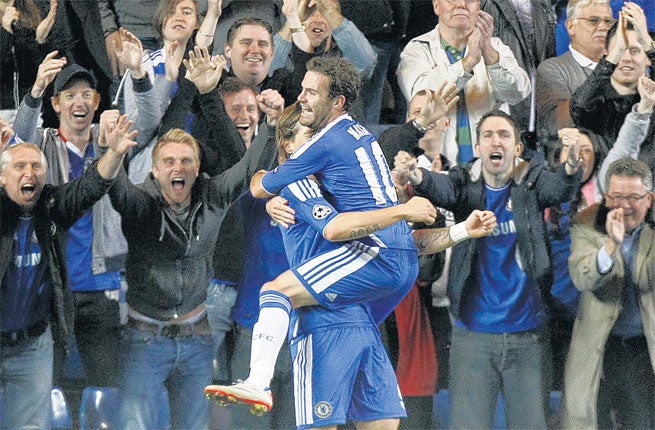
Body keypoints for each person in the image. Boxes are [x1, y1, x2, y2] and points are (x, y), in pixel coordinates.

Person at [208, 102, 496, 429]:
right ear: (288, 146)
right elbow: (331, 225)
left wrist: (461, 231)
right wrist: (403, 210)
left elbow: (402, 243)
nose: (324, 145)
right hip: (323, 325)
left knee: (384, 425)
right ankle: (257, 379)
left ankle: (258, 380)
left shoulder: (347, 186)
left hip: (363, 323)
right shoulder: (296, 183)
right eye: (312, 136)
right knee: (274, 291)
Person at [204, 57, 424, 415]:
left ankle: (257, 382)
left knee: (275, 291)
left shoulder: (319, 151)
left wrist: (272, 185)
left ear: (337, 102)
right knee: (378, 418)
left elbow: (264, 189)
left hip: (363, 272)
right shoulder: (358, 135)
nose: (302, 97)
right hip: (386, 275)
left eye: (311, 92)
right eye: (302, 89)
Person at [393, 109, 582, 429]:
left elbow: (560, 188)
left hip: (527, 336)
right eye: (488, 135)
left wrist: (572, 162)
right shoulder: (464, 181)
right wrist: (415, 176)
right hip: (472, 337)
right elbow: (441, 188)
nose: (497, 141)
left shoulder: (533, 181)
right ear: (477, 148)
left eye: (505, 135)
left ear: (517, 149)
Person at [108, 108, 275, 428]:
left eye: (186, 161)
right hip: (144, 337)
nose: (178, 167)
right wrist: (111, 153)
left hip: (196, 334)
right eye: (169, 161)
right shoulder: (141, 202)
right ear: (155, 171)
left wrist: (268, 125)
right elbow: (117, 190)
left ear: (198, 168)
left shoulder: (212, 194)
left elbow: (249, 168)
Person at [11, 58, 144, 387]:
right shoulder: (41, 144)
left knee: (106, 388)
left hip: (103, 286)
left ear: (97, 102)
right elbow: (17, 138)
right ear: (55, 104)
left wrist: (139, 74)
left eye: (86, 95)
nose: (79, 102)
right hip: (53, 289)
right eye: (69, 96)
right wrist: (37, 89)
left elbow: (149, 121)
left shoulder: (113, 141)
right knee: (51, 389)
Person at [0, 120, 134, 429]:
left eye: (36, 166)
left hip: (31, 345)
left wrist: (112, 152)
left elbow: (90, 186)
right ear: (3, 177)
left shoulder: (52, 206)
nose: (29, 173)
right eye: (19, 166)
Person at [565, 157, 655, 429]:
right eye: (616, 196)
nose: (625, 206)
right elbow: (582, 277)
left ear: (649, 198)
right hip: (598, 348)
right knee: (589, 420)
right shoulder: (586, 223)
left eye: (634, 197)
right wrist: (611, 246)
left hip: (643, 348)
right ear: (605, 197)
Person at [396, 0, 531, 167]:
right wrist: (468, 62)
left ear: (478, 8)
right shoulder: (417, 49)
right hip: (435, 165)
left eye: (470, 0)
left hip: (488, 166)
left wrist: (488, 51)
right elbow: (421, 95)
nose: (461, 4)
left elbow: (518, 92)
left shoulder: (495, 47)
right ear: (436, 6)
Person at [570, 3, 654, 163]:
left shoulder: (651, 103)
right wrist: (612, 57)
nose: (627, 58)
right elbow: (579, 110)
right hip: (601, 185)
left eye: (635, 51)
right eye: (621, 50)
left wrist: (648, 44)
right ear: (607, 53)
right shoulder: (593, 101)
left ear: (648, 59)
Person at [536, 0, 615, 156]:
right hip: (577, 165)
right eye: (593, 21)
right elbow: (558, 124)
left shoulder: (624, 67)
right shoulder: (552, 69)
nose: (603, 27)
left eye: (608, 21)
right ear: (571, 26)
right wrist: (605, 68)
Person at [271, 0, 377, 103]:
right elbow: (265, 68)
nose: (318, 20)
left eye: (324, 13)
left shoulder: (345, 57)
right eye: (310, 14)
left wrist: (330, 12)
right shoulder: (285, 54)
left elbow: (366, 62)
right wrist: (292, 19)